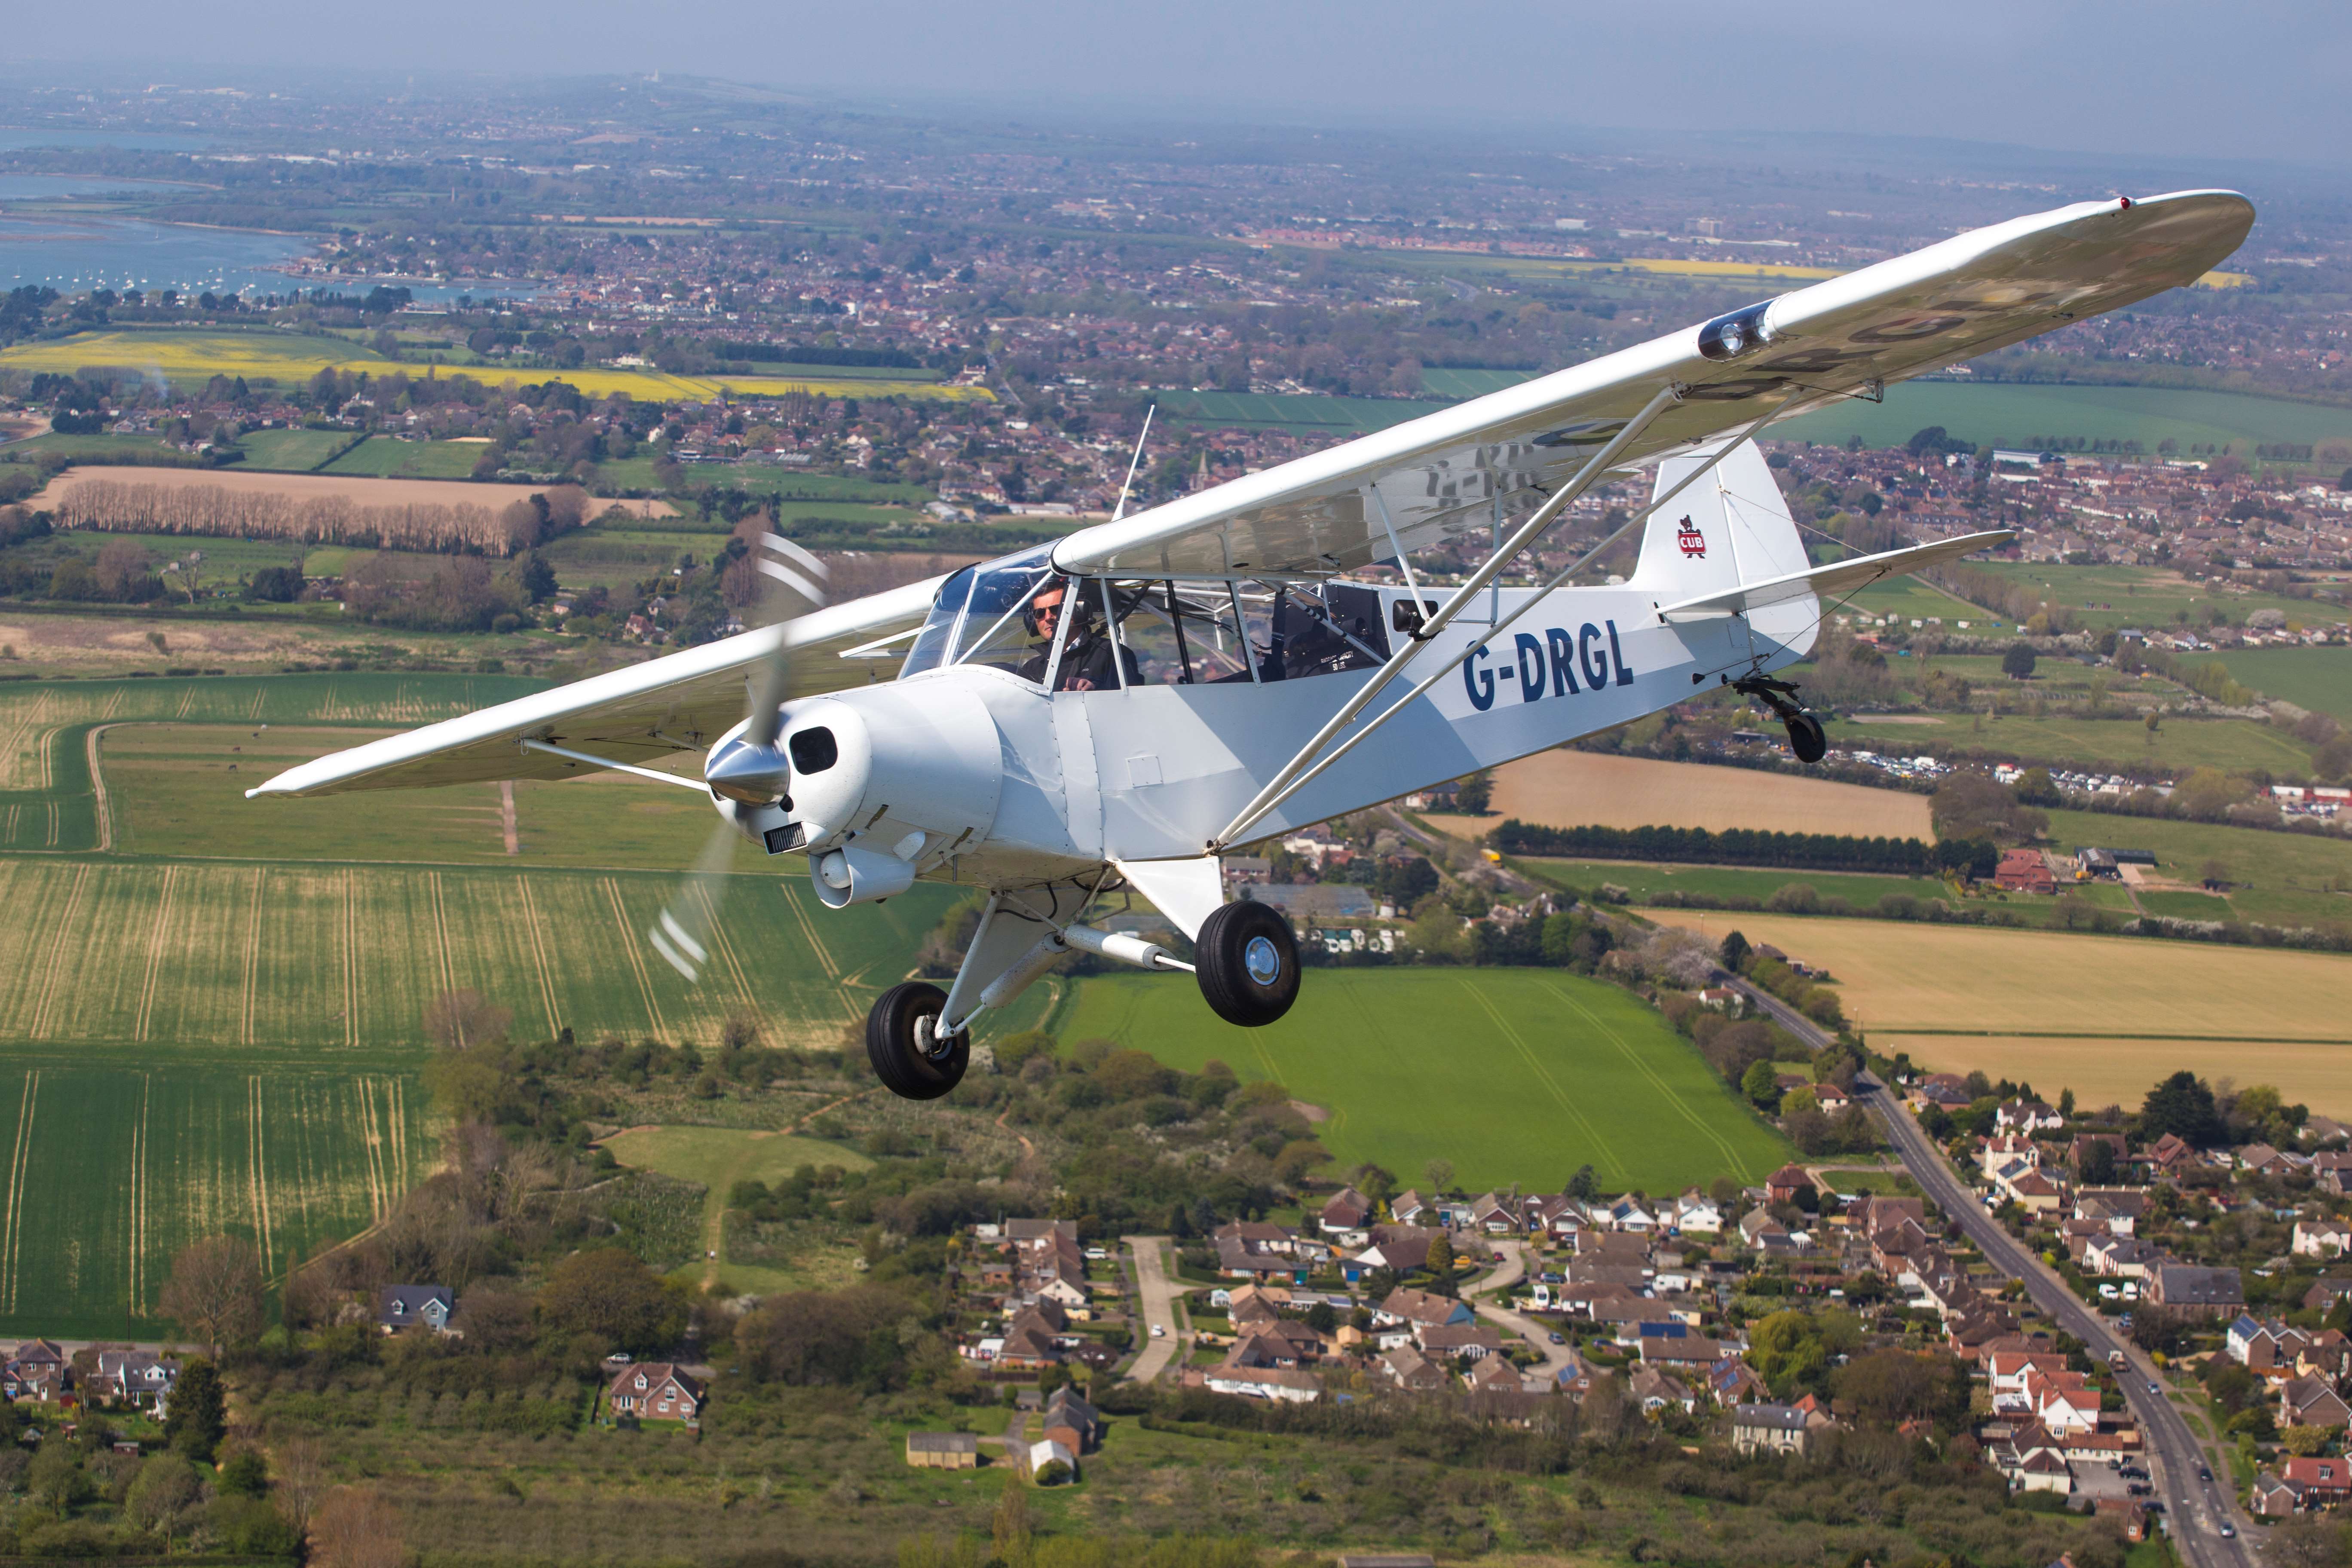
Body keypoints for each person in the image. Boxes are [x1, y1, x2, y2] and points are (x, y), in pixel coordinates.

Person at [1018, 579, 1139, 691]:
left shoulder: (1113, 653)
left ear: (1078, 611)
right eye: (1039, 613)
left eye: (1057, 610)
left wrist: (1094, 689)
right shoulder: (1031, 668)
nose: (1048, 618)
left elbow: (1132, 700)